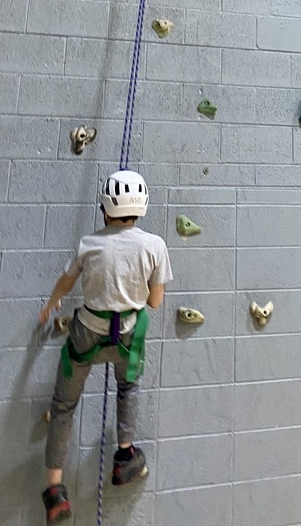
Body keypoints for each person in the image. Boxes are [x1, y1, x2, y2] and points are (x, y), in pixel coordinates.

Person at [38, 170, 172, 524]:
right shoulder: (155, 245)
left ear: (105, 208)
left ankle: (55, 491)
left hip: (85, 336)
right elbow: (155, 302)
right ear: (141, 208)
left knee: (63, 406)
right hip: (127, 336)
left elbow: (66, 283)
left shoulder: (88, 244)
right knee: (127, 387)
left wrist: (51, 303)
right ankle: (125, 457)